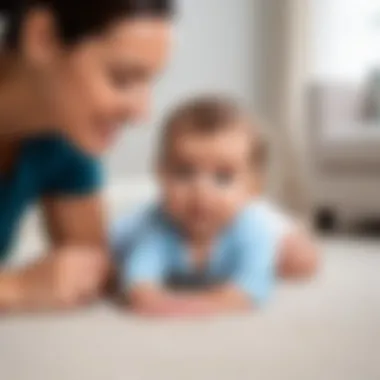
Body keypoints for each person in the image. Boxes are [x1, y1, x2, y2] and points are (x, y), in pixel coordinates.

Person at [0, 0, 173, 312]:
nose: (142, 112)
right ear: (42, 37)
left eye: (149, 82)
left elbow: (92, 268)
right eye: (121, 78)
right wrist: (15, 286)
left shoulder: (60, 137)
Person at [111, 96, 319, 317]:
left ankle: (291, 232)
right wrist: (152, 299)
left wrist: (206, 304)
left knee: (299, 258)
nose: (201, 191)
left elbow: (252, 285)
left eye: (223, 177)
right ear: (161, 174)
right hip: (126, 231)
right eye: (184, 172)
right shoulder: (155, 227)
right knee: (106, 259)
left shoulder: (253, 230)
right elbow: (138, 282)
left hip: (258, 219)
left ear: (253, 187)